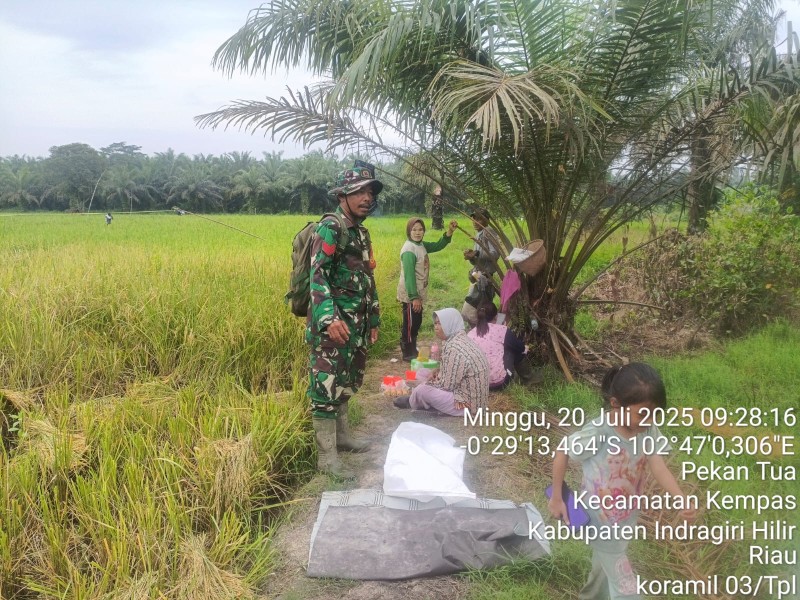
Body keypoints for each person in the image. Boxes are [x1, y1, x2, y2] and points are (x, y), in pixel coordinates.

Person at [548, 363, 697, 599]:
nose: (648, 421)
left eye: (655, 414)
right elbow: (563, 451)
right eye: (643, 414)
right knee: (625, 587)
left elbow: (657, 464)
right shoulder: (598, 432)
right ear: (616, 404)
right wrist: (557, 498)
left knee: (602, 569)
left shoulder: (646, 429)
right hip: (600, 522)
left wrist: (680, 498)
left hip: (625, 519)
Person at [307, 161, 382, 479]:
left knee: (346, 382)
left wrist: (374, 317)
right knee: (326, 386)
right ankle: (327, 458)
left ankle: (343, 437)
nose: (366, 197)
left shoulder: (361, 233)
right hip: (332, 327)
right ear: (342, 195)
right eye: (358, 191)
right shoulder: (331, 227)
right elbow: (318, 273)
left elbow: (367, 276)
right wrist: (327, 318)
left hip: (356, 324)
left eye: (369, 191)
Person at [393, 308, 489, 416]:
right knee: (422, 372)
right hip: (472, 397)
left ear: (450, 324)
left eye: (440, 323)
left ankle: (413, 401)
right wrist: (438, 372)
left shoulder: (454, 348)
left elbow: (446, 386)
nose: (436, 327)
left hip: (467, 404)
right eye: (435, 323)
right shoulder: (459, 339)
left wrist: (429, 383)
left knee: (422, 390)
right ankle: (426, 402)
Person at [396, 217, 458, 361]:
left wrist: (449, 232)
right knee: (410, 323)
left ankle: (412, 348)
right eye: (414, 229)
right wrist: (414, 298)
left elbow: (437, 245)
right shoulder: (409, 250)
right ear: (408, 231)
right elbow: (409, 276)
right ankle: (407, 352)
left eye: (420, 229)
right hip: (411, 294)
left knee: (416, 321)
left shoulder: (420, 245)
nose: (417, 232)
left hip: (418, 293)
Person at [467, 302, 537, 389]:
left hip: (478, 384)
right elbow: (519, 347)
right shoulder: (502, 330)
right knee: (514, 349)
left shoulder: (470, 334)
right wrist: (524, 348)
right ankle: (530, 380)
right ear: (496, 316)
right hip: (499, 383)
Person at [461, 207, 501, 327]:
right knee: (477, 311)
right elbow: (479, 261)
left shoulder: (488, 232)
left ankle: (481, 335)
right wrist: (472, 257)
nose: (474, 221)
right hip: (478, 277)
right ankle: (481, 334)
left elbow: (495, 254)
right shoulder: (479, 234)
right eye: (474, 218)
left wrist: (477, 253)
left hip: (485, 278)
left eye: (479, 219)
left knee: (472, 313)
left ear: (486, 220)